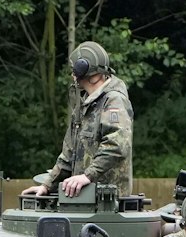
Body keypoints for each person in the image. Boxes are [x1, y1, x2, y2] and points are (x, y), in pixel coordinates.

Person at [22, 41, 132, 199]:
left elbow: (117, 145)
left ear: (82, 69)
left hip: (108, 201)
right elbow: (68, 153)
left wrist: (87, 176)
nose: (72, 74)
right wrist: (47, 185)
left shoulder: (114, 100)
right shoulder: (85, 104)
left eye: (74, 69)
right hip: (82, 199)